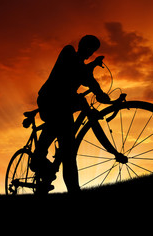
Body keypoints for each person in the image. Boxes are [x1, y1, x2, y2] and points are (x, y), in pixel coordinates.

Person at [30, 35, 110, 193]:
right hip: (50, 101)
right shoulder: (68, 52)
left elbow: (86, 76)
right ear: (81, 45)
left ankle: (73, 190)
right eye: (89, 49)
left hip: (65, 105)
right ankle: (38, 157)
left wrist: (93, 68)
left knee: (68, 155)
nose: (89, 54)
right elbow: (79, 71)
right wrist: (96, 83)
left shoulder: (81, 64)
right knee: (58, 125)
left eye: (92, 51)